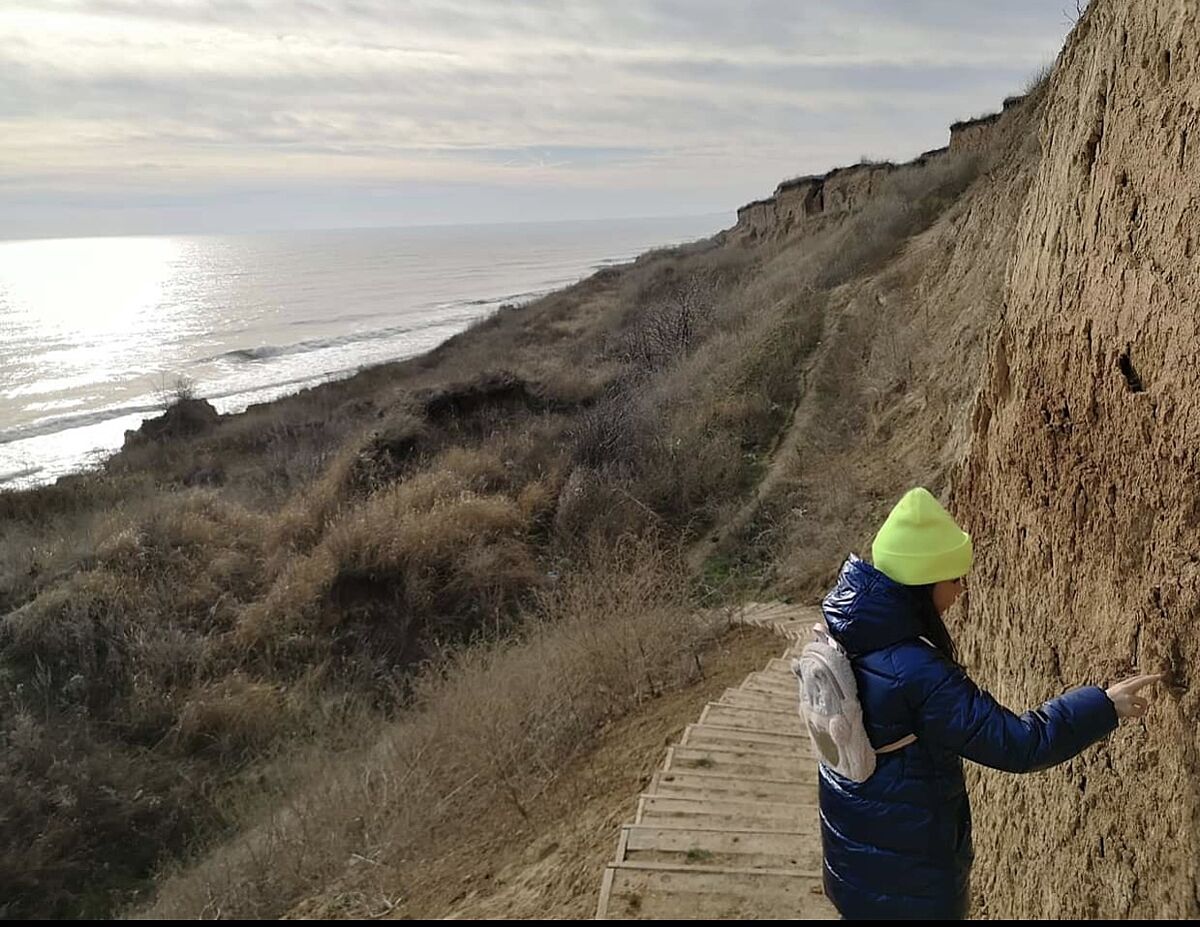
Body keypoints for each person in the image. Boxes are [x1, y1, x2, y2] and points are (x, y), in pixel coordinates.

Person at [818, 487, 1162, 920]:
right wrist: (1104, 704)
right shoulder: (914, 671)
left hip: (854, 860)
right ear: (923, 582)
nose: (962, 590)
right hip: (909, 884)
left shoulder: (846, 630)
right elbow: (1019, 744)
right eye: (954, 579)